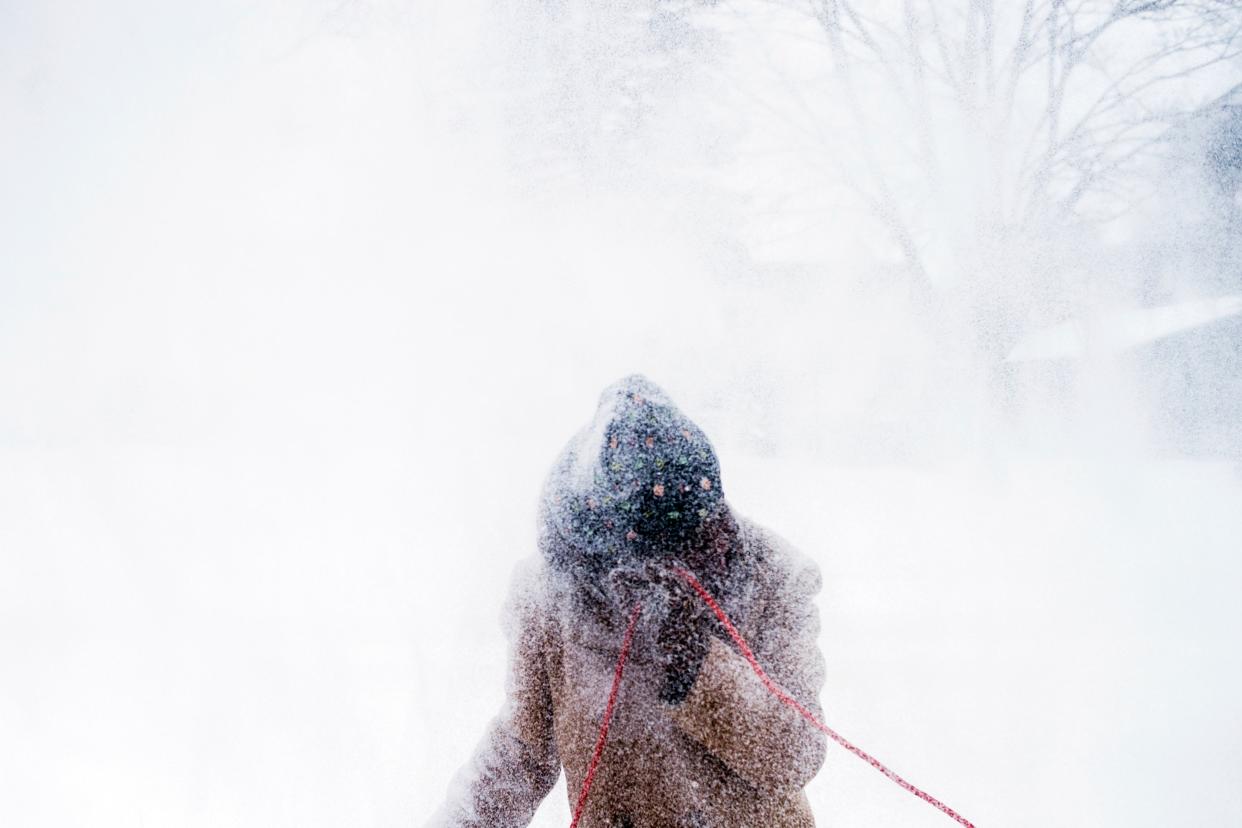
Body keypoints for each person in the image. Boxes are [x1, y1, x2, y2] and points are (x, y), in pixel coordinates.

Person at [429, 375, 827, 827]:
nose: (710, 552)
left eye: (711, 526)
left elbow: (797, 755)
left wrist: (700, 667)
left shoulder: (773, 576)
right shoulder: (550, 595)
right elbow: (522, 752)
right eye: (682, 548)